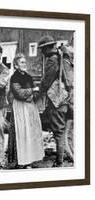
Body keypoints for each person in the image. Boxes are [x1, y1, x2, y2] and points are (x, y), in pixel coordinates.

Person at [37, 35, 74, 167]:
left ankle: (59, 162)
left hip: (56, 102)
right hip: (66, 100)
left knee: (58, 132)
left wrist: (39, 92)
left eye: (42, 49)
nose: (41, 52)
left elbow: (46, 81)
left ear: (47, 48)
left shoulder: (52, 60)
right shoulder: (61, 57)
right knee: (63, 131)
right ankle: (65, 157)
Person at [7, 53, 44, 169]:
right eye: (22, 62)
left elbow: (36, 92)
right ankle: (21, 161)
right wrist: (32, 91)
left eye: (24, 62)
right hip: (20, 108)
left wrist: (32, 95)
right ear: (16, 65)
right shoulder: (14, 78)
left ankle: (30, 159)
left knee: (31, 133)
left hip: (30, 107)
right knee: (21, 133)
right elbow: (19, 93)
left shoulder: (28, 77)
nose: (24, 64)